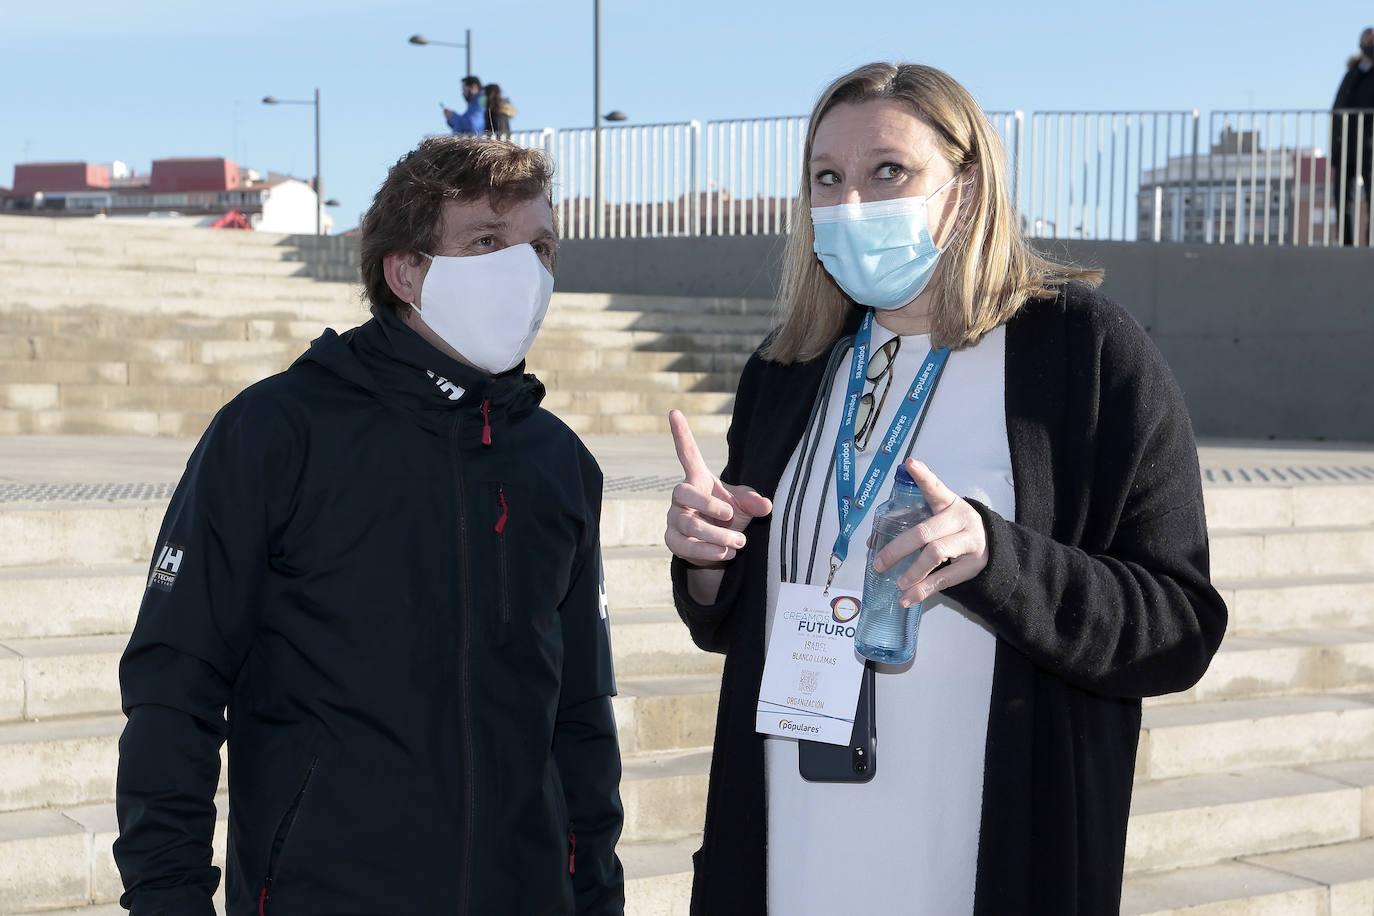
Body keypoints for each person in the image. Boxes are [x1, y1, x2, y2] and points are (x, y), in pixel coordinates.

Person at [664, 62, 1227, 915]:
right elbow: (739, 620)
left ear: (966, 188)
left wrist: (996, 557)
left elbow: (1177, 626)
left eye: (888, 171)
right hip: (798, 845)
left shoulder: (1081, 351)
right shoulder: (786, 370)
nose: (852, 203)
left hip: (980, 859)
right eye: (828, 177)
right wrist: (710, 560)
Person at [114, 135, 625, 914]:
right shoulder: (275, 432)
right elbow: (172, 688)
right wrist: (168, 899)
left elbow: (582, 717)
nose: (526, 272)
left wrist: (596, 899)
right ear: (406, 270)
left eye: (541, 247)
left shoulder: (557, 461)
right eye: (488, 241)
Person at [1332, 27, 1374, 245]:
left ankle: (1370, 242)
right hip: (1347, 147)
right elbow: (1337, 110)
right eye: (1367, 40)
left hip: (1370, 147)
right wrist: (1334, 151)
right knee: (1341, 197)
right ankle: (1345, 242)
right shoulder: (1351, 74)